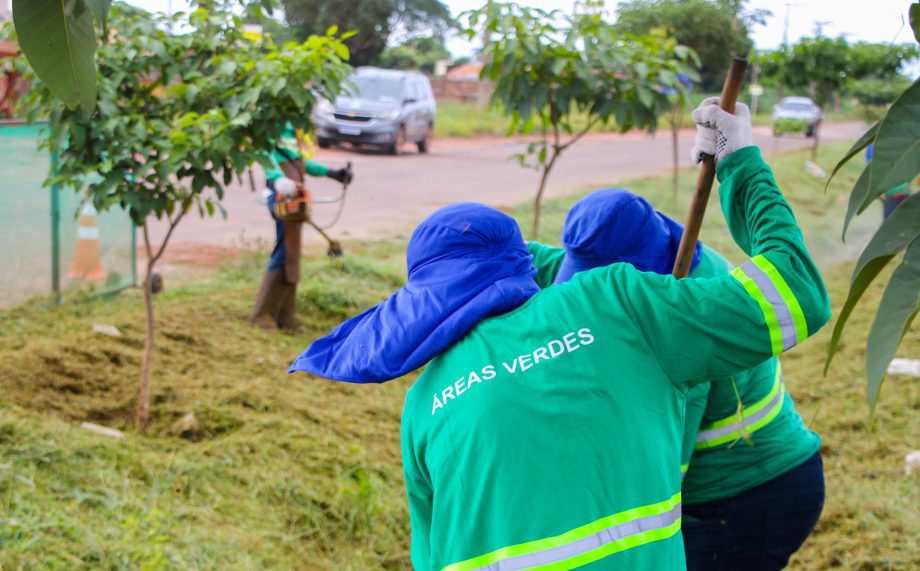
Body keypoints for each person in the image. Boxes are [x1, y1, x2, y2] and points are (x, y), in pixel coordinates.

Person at [288, 99, 831, 569]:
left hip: (753, 491)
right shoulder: (616, 297)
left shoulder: (423, 403)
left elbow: (430, 555)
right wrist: (741, 163)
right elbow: (800, 289)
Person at [529, 186, 824, 570]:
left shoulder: (688, 316)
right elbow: (549, 267)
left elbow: (661, 469)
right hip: (729, 494)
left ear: (634, 270)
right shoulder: (654, 259)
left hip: (749, 496)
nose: (589, 292)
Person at [249, 124, 351, 330]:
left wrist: (331, 173)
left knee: (292, 251)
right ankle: (262, 313)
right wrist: (277, 179)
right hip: (282, 194)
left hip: (296, 193)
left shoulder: (290, 124)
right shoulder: (272, 118)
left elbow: (299, 163)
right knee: (284, 250)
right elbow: (262, 153)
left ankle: (285, 315)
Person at [865, 143, 911, 220]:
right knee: (891, 221)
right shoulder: (876, 145)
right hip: (892, 196)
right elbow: (872, 166)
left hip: (903, 194)